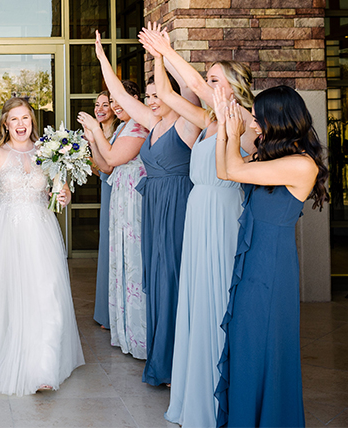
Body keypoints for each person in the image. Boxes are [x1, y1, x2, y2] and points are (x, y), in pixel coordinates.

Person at [139, 24, 257, 427]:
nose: (205, 85)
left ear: (234, 86)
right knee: (197, 297)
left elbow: (188, 81)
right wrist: (157, 57)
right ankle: (196, 392)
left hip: (223, 213)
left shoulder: (242, 118)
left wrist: (167, 49)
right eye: (207, 79)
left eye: (213, 80)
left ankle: (221, 394)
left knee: (217, 296)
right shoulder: (208, 120)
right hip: (198, 213)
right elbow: (171, 94)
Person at [212, 85, 328, 428]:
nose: (253, 123)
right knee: (246, 342)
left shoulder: (300, 165)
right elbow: (224, 171)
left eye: (258, 116)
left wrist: (231, 132)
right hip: (252, 263)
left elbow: (232, 169)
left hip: (272, 268)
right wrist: (222, 128)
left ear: (277, 118)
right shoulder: (273, 158)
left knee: (264, 346)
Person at [92, 29, 201, 386]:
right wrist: (103, 60)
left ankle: (177, 364)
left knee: (171, 279)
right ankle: (161, 358)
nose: (153, 100)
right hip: (151, 208)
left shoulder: (187, 124)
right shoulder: (152, 124)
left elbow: (185, 87)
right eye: (150, 95)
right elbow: (120, 93)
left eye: (158, 94)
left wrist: (161, 53)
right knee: (154, 281)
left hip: (176, 208)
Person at [0, 97, 85, 396]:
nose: (21, 124)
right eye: (14, 119)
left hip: (42, 231)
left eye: (26, 119)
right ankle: (7, 354)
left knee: (48, 294)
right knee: (9, 294)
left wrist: (64, 195)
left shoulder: (48, 152)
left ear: (32, 122)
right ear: (5, 124)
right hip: (8, 233)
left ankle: (44, 367)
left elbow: (58, 189)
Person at [77, 80, 149, 359]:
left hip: (134, 199)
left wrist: (96, 132)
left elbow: (115, 157)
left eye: (119, 100)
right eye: (113, 101)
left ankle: (139, 330)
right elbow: (105, 165)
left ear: (134, 98)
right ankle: (124, 327)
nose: (115, 106)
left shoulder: (140, 125)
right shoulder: (121, 128)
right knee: (122, 259)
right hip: (120, 197)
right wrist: (94, 139)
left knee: (134, 260)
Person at [88, 91, 120, 329]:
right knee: (107, 246)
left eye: (105, 104)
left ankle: (112, 314)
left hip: (117, 191)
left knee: (113, 246)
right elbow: (101, 170)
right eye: (97, 105)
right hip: (108, 189)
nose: (100, 109)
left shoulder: (119, 132)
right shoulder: (101, 133)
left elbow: (107, 167)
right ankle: (106, 312)